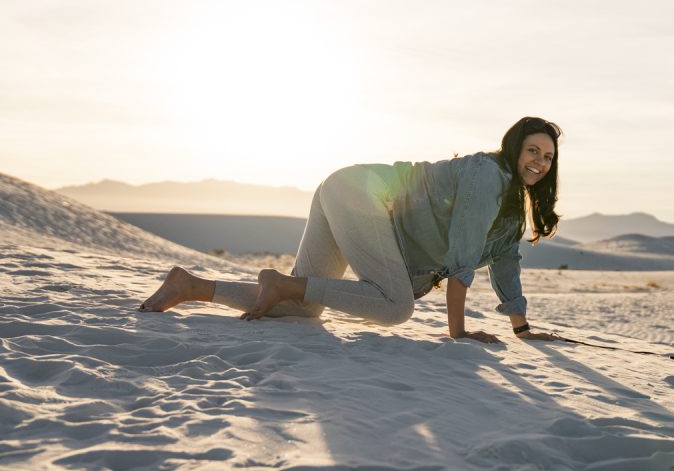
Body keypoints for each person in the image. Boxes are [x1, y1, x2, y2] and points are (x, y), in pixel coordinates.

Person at [139, 117, 565, 344]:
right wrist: (459, 332)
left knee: (299, 304)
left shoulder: (512, 210)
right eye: (532, 150)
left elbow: (506, 264)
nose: (539, 161)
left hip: (346, 190)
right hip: (362, 195)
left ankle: (190, 285)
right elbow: (463, 256)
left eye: (547, 156)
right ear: (515, 148)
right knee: (395, 307)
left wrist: (521, 329)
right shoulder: (487, 175)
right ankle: (277, 283)